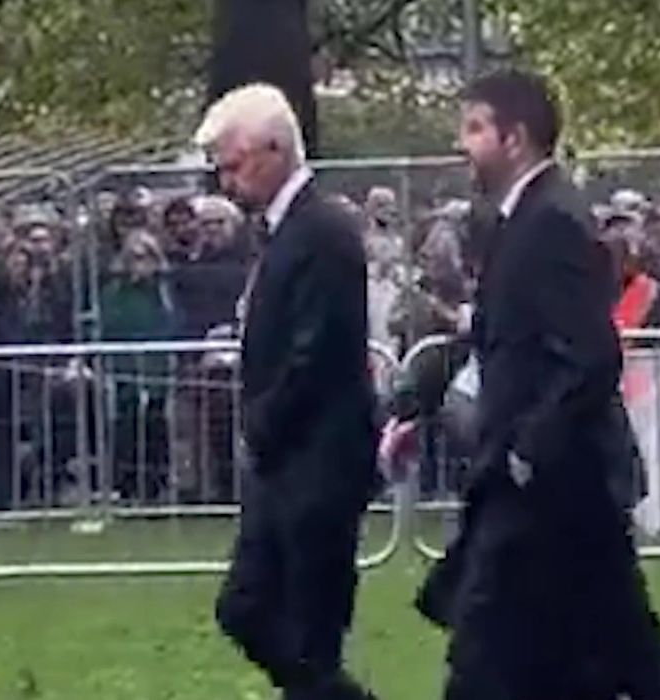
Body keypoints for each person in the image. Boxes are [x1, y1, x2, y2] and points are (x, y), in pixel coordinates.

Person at [392, 69, 660, 700]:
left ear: (516, 138)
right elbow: (502, 332)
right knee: (609, 657)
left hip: (550, 488)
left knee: (493, 660)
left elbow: (589, 355)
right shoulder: (520, 222)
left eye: (475, 128)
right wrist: (414, 405)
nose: (463, 145)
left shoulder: (552, 223)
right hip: (551, 489)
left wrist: (526, 452)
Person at [194, 83, 380, 700]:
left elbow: (319, 348)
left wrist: (263, 421)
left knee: (308, 633)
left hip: (317, 460)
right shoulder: (286, 232)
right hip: (286, 463)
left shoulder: (323, 231)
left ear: (274, 150)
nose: (226, 180)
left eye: (234, 164)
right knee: (247, 608)